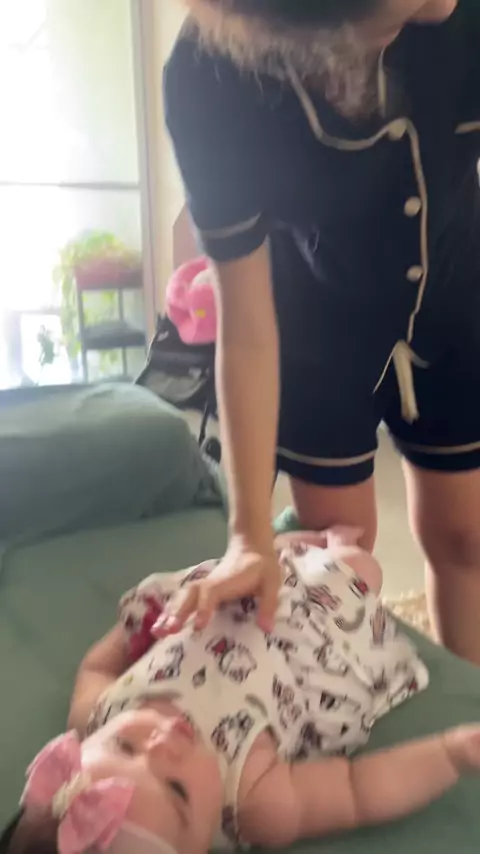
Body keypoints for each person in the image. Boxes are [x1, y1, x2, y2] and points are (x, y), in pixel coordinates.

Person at [162, 0, 480, 664]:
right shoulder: (210, 76)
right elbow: (246, 325)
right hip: (313, 329)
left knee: (467, 536)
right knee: (340, 557)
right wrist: (249, 534)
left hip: (455, 299)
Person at [5, 527, 480, 854]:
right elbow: (358, 791)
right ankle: (331, 547)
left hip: (221, 605)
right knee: (360, 567)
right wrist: (450, 753)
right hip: (311, 639)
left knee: (272, 554)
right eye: (177, 789)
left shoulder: (94, 715)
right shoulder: (254, 800)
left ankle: (281, 547)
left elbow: (95, 666)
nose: (162, 740)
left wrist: (137, 627)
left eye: (124, 746)